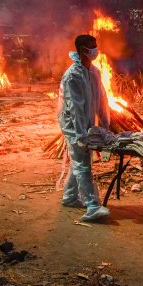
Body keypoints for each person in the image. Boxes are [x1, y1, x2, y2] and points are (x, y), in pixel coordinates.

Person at [59, 34, 111, 222]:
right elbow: (75, 107)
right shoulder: (73, 76)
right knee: (83, 163)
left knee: (79, 161)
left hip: (87, 124)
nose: (96, 50)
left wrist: (105, 125)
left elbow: (101, 99)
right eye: (92, 47)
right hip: (74, 126)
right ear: (82, 50)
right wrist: (81, 135)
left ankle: (70, 197)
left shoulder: (94, 72)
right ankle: (92, 206)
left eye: (96, 46)